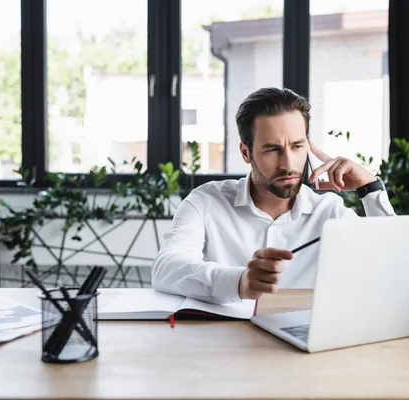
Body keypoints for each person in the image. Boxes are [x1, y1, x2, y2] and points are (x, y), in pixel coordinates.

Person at [152, 87, 396, 304]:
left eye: (297, 147)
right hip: (223, 344)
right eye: (272, 149)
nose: (288, 164)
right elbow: (167, 267)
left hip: (305, 347)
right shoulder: (206, 201)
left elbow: (392, 268)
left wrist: (370, 190)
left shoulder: (330, 211)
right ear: (246, 153)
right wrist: (239, 282)